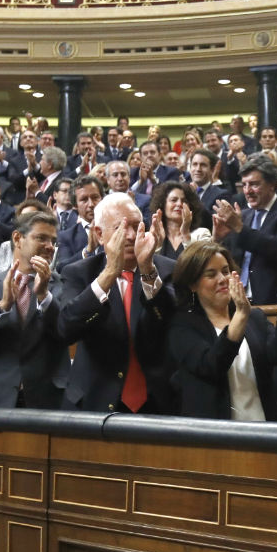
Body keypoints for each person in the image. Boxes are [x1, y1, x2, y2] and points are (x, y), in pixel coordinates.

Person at [57, 192, 176, 413]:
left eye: (137, 226)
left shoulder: (168, 269)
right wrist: (110, 272)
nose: (131, 235)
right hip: (94, 400)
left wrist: (148, 269)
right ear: (100, 235)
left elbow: (172, 322)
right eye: (121, 228)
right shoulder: (79, 272)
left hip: (158, 402)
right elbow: (66, 328)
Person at [168, 241, 277, 420]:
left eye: (226, 271)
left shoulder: (254, 318)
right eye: (211, 274)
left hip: (263, 427)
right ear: (192, 284)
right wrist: (241, 316)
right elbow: (213, 366)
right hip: (214, 435)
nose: (222, 279)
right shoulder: (182, 325)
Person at [0, 211, 67, 408]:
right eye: (41, 238)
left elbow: (66, 331)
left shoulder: (63, 283)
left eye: (53, 240)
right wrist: (2, 306)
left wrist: (44, 295)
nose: (49, 246)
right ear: (18, 238)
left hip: (48, 400)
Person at [212, 155, 277, 306]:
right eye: (244, 185)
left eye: (254, 184)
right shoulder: (243, 215)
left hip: (272, 301)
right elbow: (229, 260)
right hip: (237, 300)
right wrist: (218, 240)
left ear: (272, 184)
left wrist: (238, 228)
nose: (247, 191)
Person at [57, 175, 104, 269]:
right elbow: (62, 268)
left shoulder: (117, 227)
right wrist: (87, 251)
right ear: (74, 205)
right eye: (84, 200)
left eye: (95, 197)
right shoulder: (65, 236)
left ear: (102, 198)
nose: (91, 204)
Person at [148, 180, 200, 259]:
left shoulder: (201, 234)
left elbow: (201, 265)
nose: (179, 204)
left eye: (184, 201)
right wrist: (157, 245)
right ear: (163, 204)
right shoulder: (151, 236)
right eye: (174, 200)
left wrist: (186, 234)